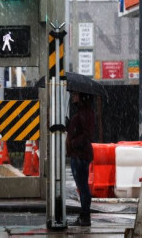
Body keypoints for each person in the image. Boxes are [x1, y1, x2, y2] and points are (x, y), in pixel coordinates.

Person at [66, 92, 95, 227]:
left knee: (82, 188)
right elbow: (79, 131)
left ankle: (85, 217)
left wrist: (73, 143)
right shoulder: (83, 112)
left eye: (75, 94)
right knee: (82, 188)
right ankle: (84, 216)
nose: (73, 96)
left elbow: (86, 134)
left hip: (79, 155)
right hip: (80, 154)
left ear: (82, 97)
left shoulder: (84, 113)